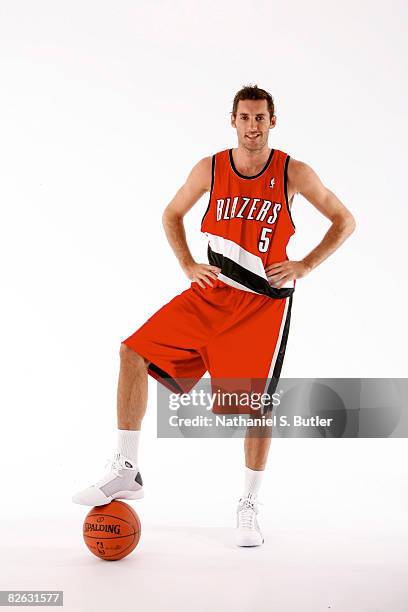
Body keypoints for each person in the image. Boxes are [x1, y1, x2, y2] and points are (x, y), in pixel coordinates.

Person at [73, 84, 356, 547]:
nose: (252, 126)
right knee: (131, 353)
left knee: (256, 408)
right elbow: (171, 214)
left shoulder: (294, 172)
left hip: (262, 304)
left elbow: (344, 220)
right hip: (211, 293)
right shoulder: (210, 168)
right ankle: (126, 468)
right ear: (233, 120)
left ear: (273, 121)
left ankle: (248, 505)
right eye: (244, 117)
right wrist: (186, 262)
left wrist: (306, 264)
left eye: (260, 118)